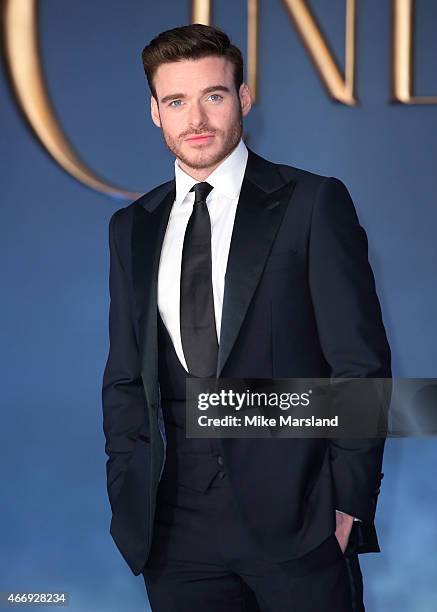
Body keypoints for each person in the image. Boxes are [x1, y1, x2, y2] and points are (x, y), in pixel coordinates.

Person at [102, 23, 391, 612]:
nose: (197, 119)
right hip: (174, 529)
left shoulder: (313, 202)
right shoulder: (132, 227)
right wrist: (125, 489)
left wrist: (348, 506)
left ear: (244, 98)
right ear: (155, 112)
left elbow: (359, 366)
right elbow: (126, 377)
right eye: (177, 101)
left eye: (214, 95)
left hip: (300, 523)